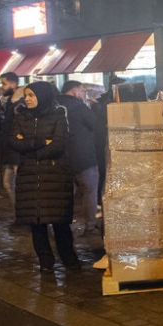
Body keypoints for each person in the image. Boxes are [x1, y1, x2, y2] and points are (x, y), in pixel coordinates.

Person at [10, 81, 81, 274]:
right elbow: (14, 142)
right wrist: (42, 141)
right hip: (29, 178)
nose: (28, 99)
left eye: (32, 95)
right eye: (26, 95)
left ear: (43, 96)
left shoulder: (58, 114)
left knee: (60, 222)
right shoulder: (21, 116)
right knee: (36, 222)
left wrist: (30, 150)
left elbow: (58, 144)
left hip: (55, 174)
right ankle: (45, 260)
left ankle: (69, 258)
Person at [57, 81, 99, 236]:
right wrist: (95, 106)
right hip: (83, 156)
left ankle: (62, 226)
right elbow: (95, 123)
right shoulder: (79, 107)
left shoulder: (54, 107)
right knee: (89, 190)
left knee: (66, 194)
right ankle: (90, 225)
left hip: (61, 156)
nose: (83, 94)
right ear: (75, 92)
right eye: (82, 91)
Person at [0, 72, 25, 204]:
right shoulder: (10, 102)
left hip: (17, 150)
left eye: (4, 83)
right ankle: (19, 214)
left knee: (17, 184)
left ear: (13, 84)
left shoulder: (19, 104)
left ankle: (24, 215)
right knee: (8, 183)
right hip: (9, 149)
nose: (2, 87)